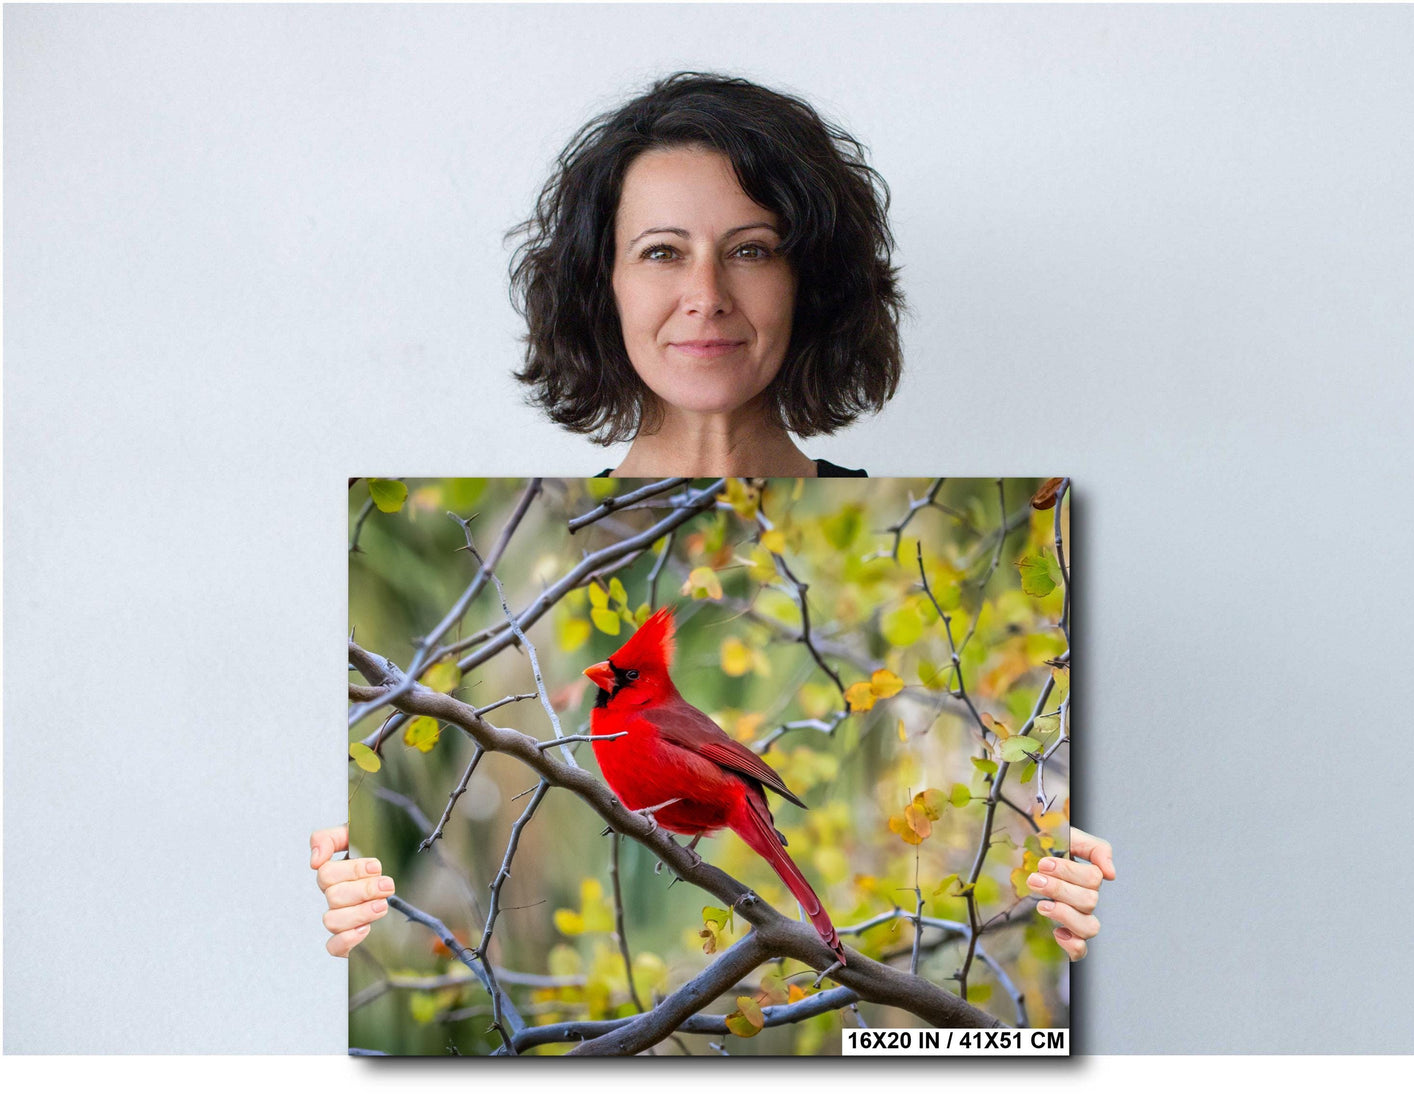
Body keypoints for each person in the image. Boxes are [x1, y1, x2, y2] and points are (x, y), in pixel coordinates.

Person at [321, 72, 1114, 964]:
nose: (706, 294)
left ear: (809, 283)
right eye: (661, 251)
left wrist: (1083, 915)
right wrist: (333, 910)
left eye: (751, 249)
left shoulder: (1052, 524)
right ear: (602, 286)